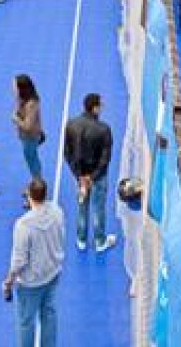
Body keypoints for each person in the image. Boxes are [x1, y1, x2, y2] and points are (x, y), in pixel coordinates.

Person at [3, 178, 64, 347]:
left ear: (29, 196)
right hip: (52, 273)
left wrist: (9, 281)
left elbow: (19, 260)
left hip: (30, 283)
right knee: (49, 314)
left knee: (26, 322)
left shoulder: (24, 225)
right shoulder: (57, 211)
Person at [63, 93, 116, 252]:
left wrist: (79, 176)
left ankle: (81, 239)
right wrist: (92, 177)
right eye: (101, 105)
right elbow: (105, 158)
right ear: (95, 108)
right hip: (97, 177)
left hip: (80, 177)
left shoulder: (71, 124)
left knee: (82, 206)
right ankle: (100, 241)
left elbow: (68, 153)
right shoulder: (104, 129)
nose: (103, 107)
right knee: (98, 208)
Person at [12, 75, 44, 189]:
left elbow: (28, 126)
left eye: (14, 86)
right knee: (32, 159)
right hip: (28, 137)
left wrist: (16, 120)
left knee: (32, 161)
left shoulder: (31, 104)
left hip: (30, 137)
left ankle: (38, 186)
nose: (13, 88)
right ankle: (36, 181)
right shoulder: (23, 100)